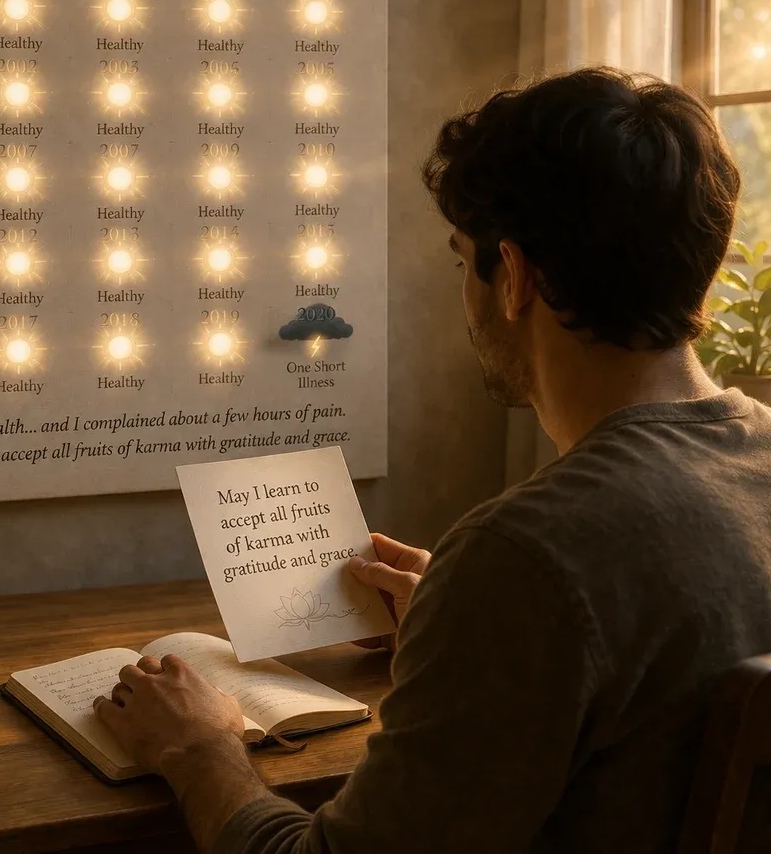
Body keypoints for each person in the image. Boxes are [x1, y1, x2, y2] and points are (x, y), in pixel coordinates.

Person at [93, 68, 771, 853]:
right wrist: (465, 628)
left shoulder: (527, 558)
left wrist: (201, 749)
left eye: (462, 261)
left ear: (513, 277)